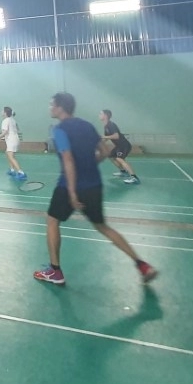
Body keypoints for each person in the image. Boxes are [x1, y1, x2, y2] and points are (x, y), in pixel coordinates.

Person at [34, 93, 157, 287]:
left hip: (68, 187)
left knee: (52, 221)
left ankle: (55, 271)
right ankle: (142, 265)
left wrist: (72, 192)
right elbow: (105, 152)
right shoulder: (88, 126)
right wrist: (90, 165)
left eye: (52, 105)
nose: (50, 108)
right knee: (103, 227)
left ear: (60, 107)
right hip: (94, 185)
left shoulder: (60, 130)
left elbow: (68, 160)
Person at [99, 109, 140, 184]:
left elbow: (116, 136)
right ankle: (123, 172)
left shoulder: (111, 125)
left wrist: (104, 136)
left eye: (101, 114)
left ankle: (134, 178)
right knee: (111, 156)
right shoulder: (106, 126)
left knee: (119, 159)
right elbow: (107, 138)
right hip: (119, 146)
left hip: (124, 145)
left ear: (105, 116)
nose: (99, 115)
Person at [0, 106, 25, 181]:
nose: (1, 112)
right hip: (16, 139)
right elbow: (17, 129)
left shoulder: (5, 121)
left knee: (11, 157)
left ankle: (21, 173)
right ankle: (12, 170)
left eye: (2, 111)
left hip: (11, 140)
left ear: (5, 113)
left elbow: (5, 132)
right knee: (8, 153)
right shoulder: (12, 120)